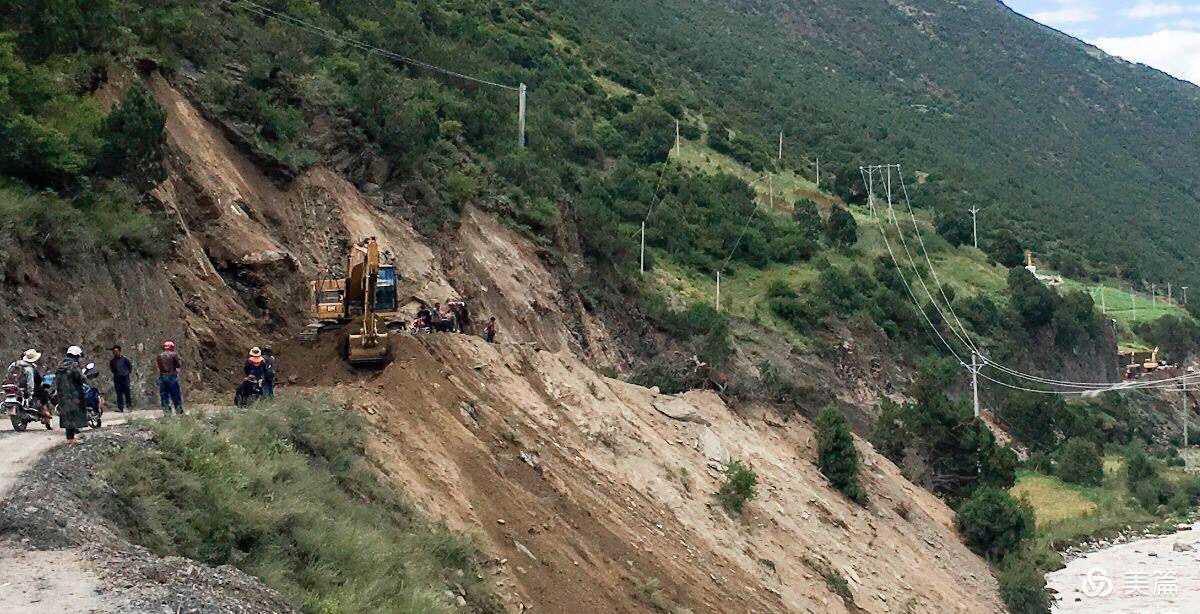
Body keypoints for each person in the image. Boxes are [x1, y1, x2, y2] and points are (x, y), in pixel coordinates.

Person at [56, 346, 87, 444]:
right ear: (77, 355)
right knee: (74, 415)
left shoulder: (60, 365)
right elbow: (81, 378)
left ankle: (69, 437)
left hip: (62, 395)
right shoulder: (74, 365)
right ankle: (72, 438)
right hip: (74, 394)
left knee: (66, 416)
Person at [157, 341, 183, 415]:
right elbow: (178, 365)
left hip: (162, 377)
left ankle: (167, 412)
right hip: (172, 376)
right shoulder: (174, 355)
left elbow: (159, 366)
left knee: (164, 396)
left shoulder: (160, 355)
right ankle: (179, 411)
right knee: (175, 395)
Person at [109, 345, 133, 412]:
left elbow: (130, 367)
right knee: (119, 394)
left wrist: (126, 373)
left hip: (125, 378)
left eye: (116, 351)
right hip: (117, 378)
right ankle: (120, 407)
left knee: (127, 392)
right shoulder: (112, 361)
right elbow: (112, 369)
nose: (114, 353)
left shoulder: (125, 359)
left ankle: (129, 406)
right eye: (113, 352)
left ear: (119, 351)